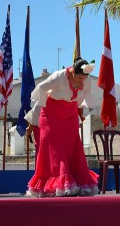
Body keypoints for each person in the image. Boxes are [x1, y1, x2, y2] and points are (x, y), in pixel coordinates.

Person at [25, 57, 99, 197]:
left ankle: (75, 183)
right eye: (78, 78)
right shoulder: (59, 76)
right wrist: (43, 105)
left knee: (73, 148)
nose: (81, 81)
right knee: (56, 151)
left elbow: (86, 95)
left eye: (83, 78)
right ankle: (57, 185)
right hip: (51, 116)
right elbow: (40, 88)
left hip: (70, 117)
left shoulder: (86, 80)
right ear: (72, 71)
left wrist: (79, 107)